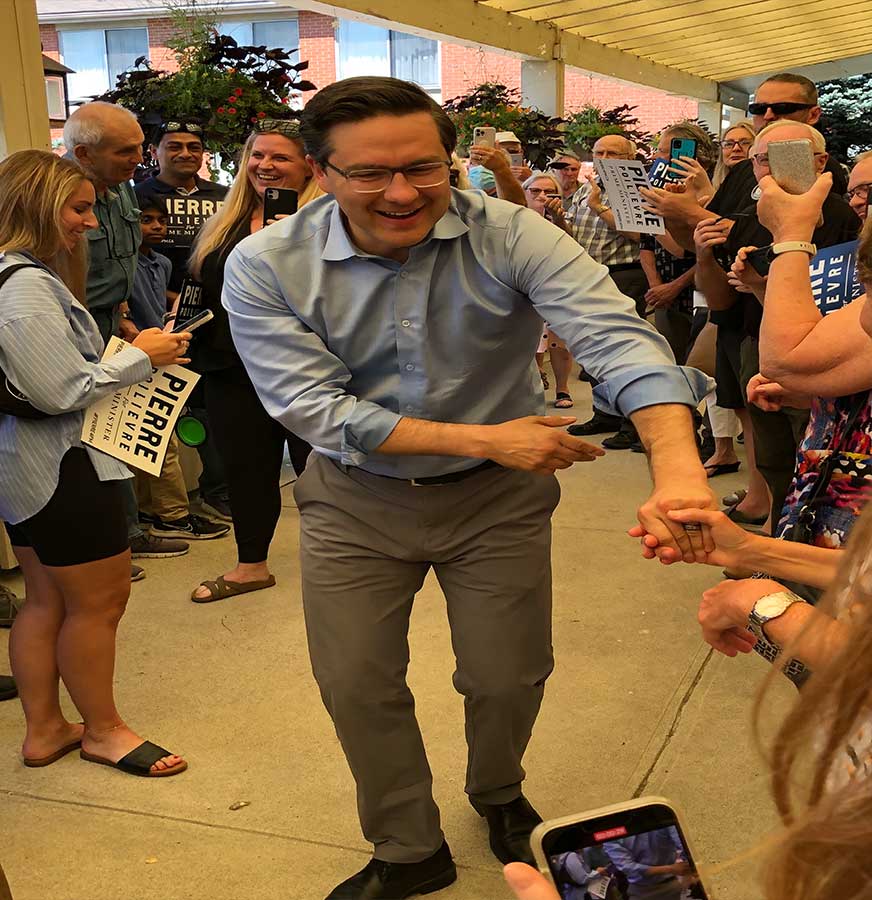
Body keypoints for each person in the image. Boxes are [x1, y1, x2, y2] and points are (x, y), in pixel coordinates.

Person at [222, 75, 714, 900]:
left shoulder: (513, 234)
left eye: (424, 167)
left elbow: (616, 339)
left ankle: (498, 790)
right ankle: (408, 846)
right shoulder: (267, 264)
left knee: (507, 673)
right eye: (370, 173)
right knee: (355, 680)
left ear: (450, 160)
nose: (402, 193)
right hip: (355, 497)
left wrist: (679, 470)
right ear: (319, 171)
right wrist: (491, 437)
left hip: (496, 499)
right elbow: (313, 408)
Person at [0, 149, 189, 776]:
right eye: (78, 209)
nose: (90, 223)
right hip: (66, 466)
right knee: (97, 604)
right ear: (38, 206)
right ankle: (103, 731)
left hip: (28, 467)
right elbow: (61, 391)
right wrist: (142, 357)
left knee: (44, 599)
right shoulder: (26, 285)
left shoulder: (15, 277)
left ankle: (46, 728)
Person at [693, 122, 860, 528]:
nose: (770, 169)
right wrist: (714, 261)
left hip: (821, 353)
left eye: (786, 156)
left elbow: (830, 311)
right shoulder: (753, 215)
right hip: (760, 341)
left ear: (820, 162)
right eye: (761, 159)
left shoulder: (838, 216)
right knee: (772, 454)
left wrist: (788, 247)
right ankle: (776, 529)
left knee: (817, 458)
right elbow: (721, 298)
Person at [186, 119, 316, 603]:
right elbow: (201, 285)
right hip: (231, 370)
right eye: (257, 155)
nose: (265, 166)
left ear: (309, 165)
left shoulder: (327, 221)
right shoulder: (226, 222)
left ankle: (343, 560)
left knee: (321, 471)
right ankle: (251, 565)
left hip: (305, 370)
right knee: (246, 470)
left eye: (280, 157)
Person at [63, 101, 190, 575]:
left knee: (116, 430)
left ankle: (128, 534)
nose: (139, 159)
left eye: (140, 147)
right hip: (68, 327)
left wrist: (121, 313)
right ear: (83, 153)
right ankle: (103, 546)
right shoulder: (54, 194)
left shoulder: (121, 190)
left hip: (110, 321)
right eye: (125, 151)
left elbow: (117, 261)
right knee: (82, 440)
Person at [134, 120, 232, 524]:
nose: (185, 153)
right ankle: (168, 506)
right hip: (157, 323)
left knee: (217, 405)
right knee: (169, 414)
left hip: (219, 318)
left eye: (194, 146)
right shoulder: (138, 197)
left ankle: (219, 489)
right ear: (155, 151)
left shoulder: (223, 197)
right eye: (174, 146)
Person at [564, 134, 649, 447]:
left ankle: (631, 422)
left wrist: (599, 207)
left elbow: (640, 234)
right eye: (599, 152)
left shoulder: (635, 188)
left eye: (613, 153)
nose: (604, 158)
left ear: (629, 158)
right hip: (588, 273)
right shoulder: (587, 187)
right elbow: (576, 230)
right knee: (593, 349)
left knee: (623, 350)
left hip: (623, 274)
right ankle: (605, 413)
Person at [523, 173, 574, 409]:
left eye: (549, 192)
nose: (542, 196)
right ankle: (535, 381)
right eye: (535, 191)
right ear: (525, 193)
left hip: (557, 284)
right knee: (531, 340)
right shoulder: (517, 219)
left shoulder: (564, 217)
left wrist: (558, 219)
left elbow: (572, 244)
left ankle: (562, 388)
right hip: (525, 285)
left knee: (559, 341)